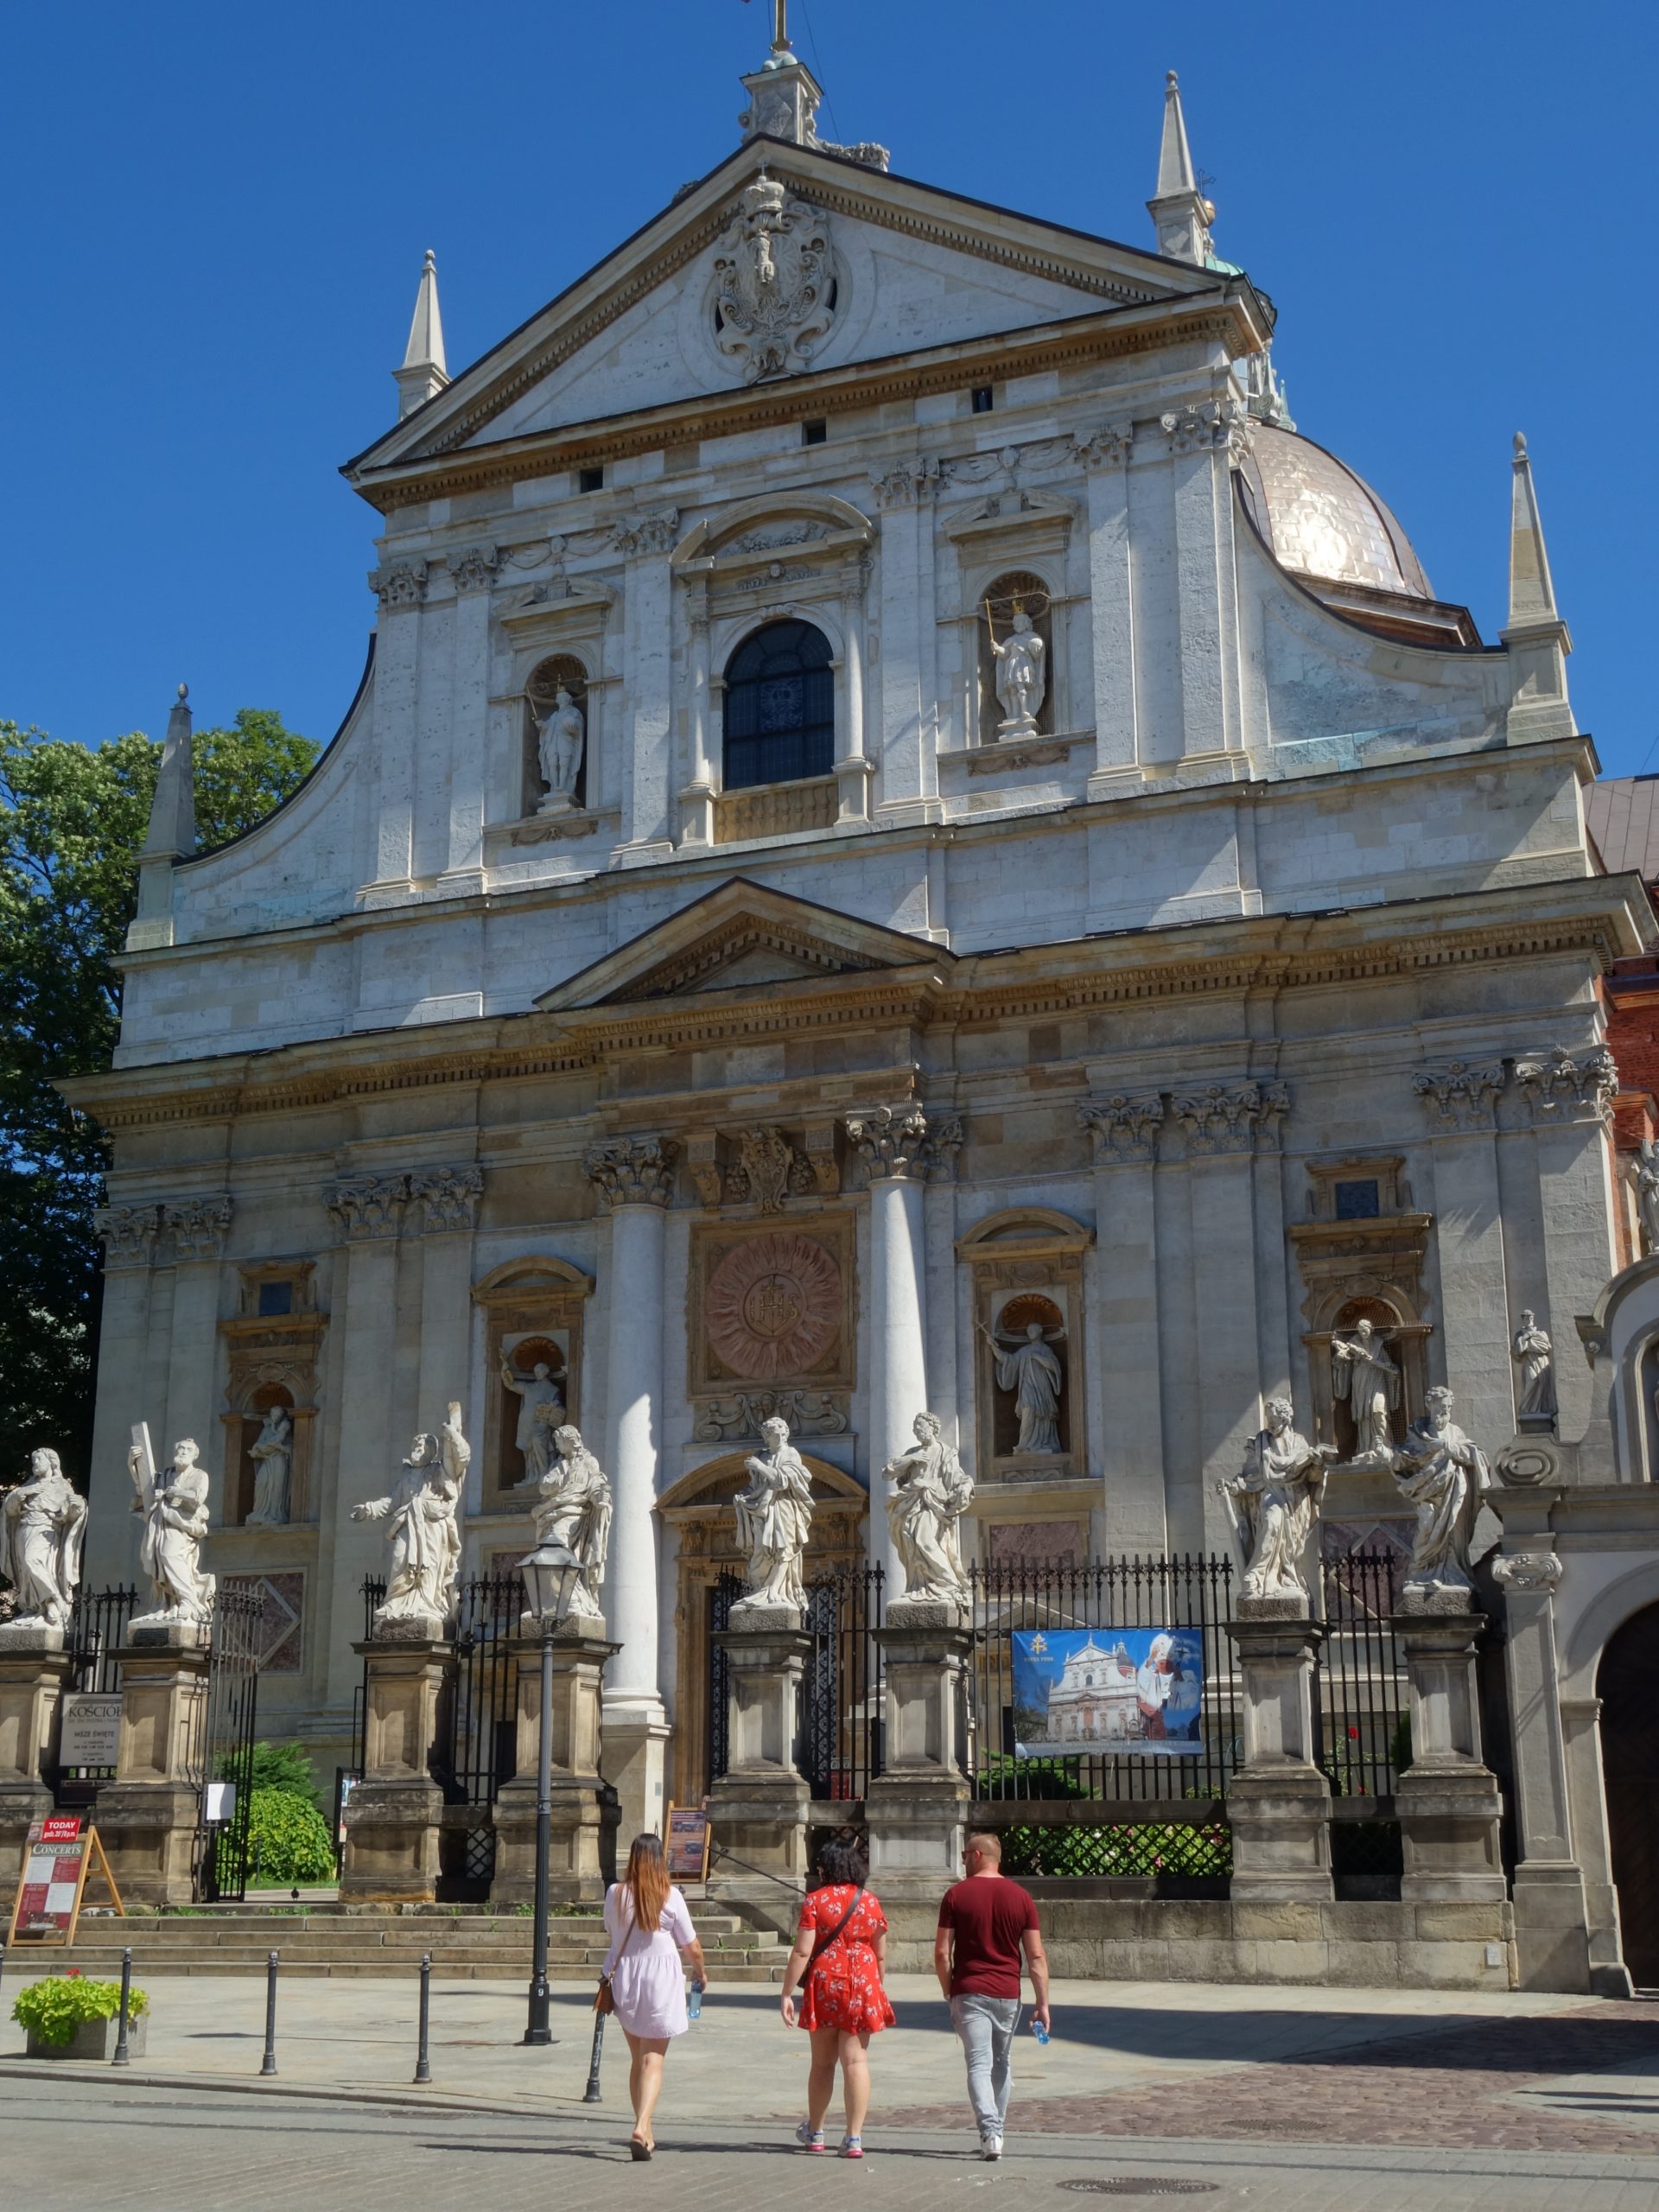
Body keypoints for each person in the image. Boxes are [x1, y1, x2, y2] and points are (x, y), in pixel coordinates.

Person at [935, 1832, 1052, 2161]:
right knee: (1001, 2062)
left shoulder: (956, 1896)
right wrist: (1042, 2003)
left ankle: (990, 2131)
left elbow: (942, 1953)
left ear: (976, 1855)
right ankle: (996, 2131)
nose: (962, 1861)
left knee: (978, 2063)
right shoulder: (1021, 1898)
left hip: (969, 1989)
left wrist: (948, 1988)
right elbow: (1036, 1956)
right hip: (1007, 1992)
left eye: (963, 1855)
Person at [779, 1836, 895, 2159]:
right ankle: (854, 2138)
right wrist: (875, 1987)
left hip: (826, 1981)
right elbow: (880, 1954)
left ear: (825, 1868)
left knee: (822, 2064)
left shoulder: (815, 1901)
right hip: (863, 1981)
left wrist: (787, 1992)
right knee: (856, 2061)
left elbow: (803, 1950)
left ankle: (816, 2132)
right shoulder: (870, 1902)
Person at [600, 1832, 707, 2161]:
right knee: (653, 2061)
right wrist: (700, 1973)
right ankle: (642, 2124)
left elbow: (609, 1930)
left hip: (626, 1980)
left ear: (632, 1858)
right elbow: (692, 1946)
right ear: (661, 1860)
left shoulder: (615, 1893)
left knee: (638, 2060)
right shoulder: (669, 1895)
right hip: (660, 1981)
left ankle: (646, 2133)